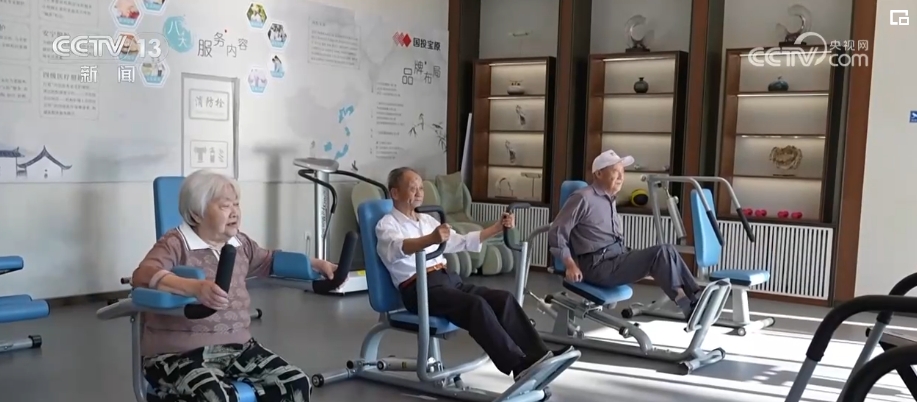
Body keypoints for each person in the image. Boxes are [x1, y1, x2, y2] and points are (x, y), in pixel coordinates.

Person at [130, 169, 336, 402]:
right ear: (196, 215)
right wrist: (193, 287)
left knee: (295, 383)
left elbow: (269, 260)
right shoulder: (176, 242)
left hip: (238, 348)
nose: (234, 212)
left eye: (236, 204)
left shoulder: (241, 243)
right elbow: (143, 274)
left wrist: (316, 264)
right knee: (214, 395)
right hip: (176, 354)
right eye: (225, 206)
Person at [375, 167, 572, 381]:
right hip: (418, 288)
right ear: (395, 193)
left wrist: (496, 228)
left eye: (421, 188)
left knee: (503, 299)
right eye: (413, 188)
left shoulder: (427, 220)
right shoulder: (387, 224)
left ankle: (540, 356)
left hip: (448, 280)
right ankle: (518, 366)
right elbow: (397, 248)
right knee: (475, 305)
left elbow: (460, 241)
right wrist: (431, 239)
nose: (419, 193)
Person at [548, 149, 703, 320]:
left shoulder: (610, 199)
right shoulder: (583, 198)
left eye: (623, 172)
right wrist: (570, 264)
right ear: (598, 174)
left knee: (668, 250)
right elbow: (556, 232)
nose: (621, 177)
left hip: (617, 257)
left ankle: (696, 296)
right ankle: (685, 303)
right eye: (616, 172)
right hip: (598, 266)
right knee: (660, 253)